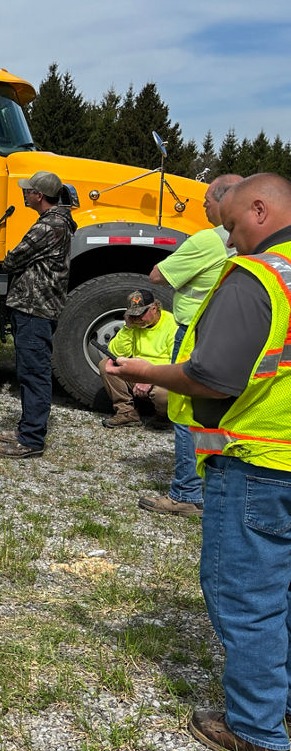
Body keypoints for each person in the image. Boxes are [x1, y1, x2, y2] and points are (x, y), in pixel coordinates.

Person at [108, 172, 291, 751]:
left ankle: (258, 728)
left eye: (235, 225)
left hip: (257, 462)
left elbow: (214, 376)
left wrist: (149, 373)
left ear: (261, 210)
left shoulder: (257, 278)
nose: (232, 241)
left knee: (248, 596)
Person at [140, 173, 242, 517]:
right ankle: (213, 486)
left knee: (185, 413)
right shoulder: (253, 241)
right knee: (219, 414)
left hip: (195, 334)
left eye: (207, 201)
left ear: (223, 201)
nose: (203, 206)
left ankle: (185, 492)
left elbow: (159, 276)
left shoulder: (208, 241)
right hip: (232, 337)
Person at [0, 170, 76, 459]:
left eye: (28, 190)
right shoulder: (58, 222)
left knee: (34, 373)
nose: (24, 194)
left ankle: (31, 439)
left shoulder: (46, 227)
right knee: (30, 371)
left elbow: (12, 258)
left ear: (39, 195)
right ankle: (28, 428)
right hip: (38, 307)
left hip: (34, 308)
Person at [97, 291, 175, 429]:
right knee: (107, 365)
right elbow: (117, 353)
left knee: (163, 393)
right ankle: (126, 413)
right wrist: (127, 327)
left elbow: (177, 363)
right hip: (138, 374)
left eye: (141, 314)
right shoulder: (134, 325)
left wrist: (150, 378)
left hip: (162, 376)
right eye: (133, 315)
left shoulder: (173, 325)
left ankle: (164, 417)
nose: (137, 319)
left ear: (154, 308)